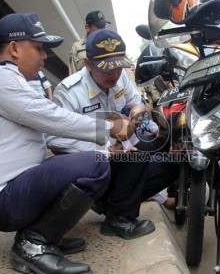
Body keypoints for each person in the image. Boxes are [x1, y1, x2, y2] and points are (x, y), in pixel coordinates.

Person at [0, 13, 134, 274]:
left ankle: (48, 235)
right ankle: (33, 244)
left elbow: (49, 129)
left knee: (79, 162)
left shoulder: (7, 78)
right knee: (94, 165)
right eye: (39, 48)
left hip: (14, 187)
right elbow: (52, 118)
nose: (44, 56)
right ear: (15, 48)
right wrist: (110, 127)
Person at [47, 29, 179, 240]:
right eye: (106, 69)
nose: (114, 74)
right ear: (88, 64)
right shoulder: (69, 92)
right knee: (136, 154)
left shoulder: (120, 79)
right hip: (90, 162)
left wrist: (133, 121)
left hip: (120, 158)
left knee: (173, 163)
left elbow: (137, 104)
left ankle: (114, 203)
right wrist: (103, 149)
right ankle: (119, 218)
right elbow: (53, 138)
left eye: (118, 67)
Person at [68, 10, 111, 75]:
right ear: (87, 27)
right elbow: (72, 74)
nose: (102, 30)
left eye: (103, 26)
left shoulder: (110, 43)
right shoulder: (77, 47)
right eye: (99, 26)